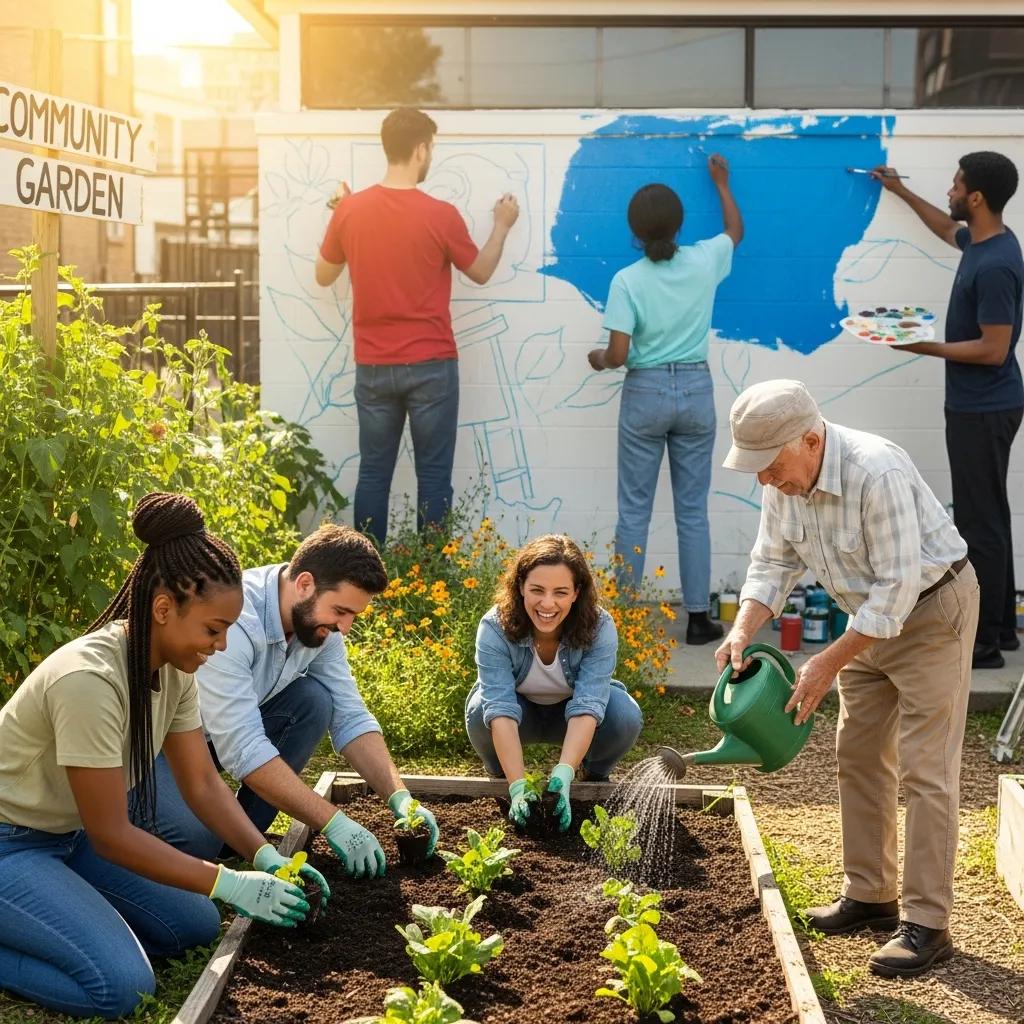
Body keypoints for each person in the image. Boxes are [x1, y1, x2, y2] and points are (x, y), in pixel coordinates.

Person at [0, 493, 316, 1020]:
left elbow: (202, 783)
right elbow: (113, 834)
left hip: (65, 836)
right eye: (212, 629)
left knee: (194, 924)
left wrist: (264, 856)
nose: (219, 646)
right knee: (121, 987)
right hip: (10, 843)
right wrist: (228, 881)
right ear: (163, 609)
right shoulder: (90, 681)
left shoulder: (173, 669)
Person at [717, 379, 978, 979]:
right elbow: (773, 561)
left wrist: (828, 659)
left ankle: (927, 924)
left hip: (931, 611)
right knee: (857, 752)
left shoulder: (875, 471)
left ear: (810, 440)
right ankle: (871, 894)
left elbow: (897, 591)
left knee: (926, 765)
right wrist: (744, 628)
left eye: (770, 465)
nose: (763, 480)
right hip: (863, 619)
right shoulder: (786, 480)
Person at [145, 523, 439, 879]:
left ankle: (241, 841)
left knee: (314, 701)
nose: (344, 628)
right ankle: (210, 833)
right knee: (198, 840)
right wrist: (332, 821)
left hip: (215, 738)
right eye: (341, 611)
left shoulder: (318, 626)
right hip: (161, 746)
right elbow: (243, 746)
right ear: (304, 584)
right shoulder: (234, 622)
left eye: (352, 617)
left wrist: (400, 797)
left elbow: (351, 715)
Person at [315, 107, 521, 544]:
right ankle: (433, 582)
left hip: (373, 366)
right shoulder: (440, 214)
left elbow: (323, 275)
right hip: (432, 366)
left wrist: (342, 215)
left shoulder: (350, 211)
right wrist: (502, 226)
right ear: (421, 149)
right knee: (433, 477)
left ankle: (362, 578)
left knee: (373, 474)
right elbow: (480, 271)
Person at [870, 152, 1022, 669]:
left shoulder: (998, 263)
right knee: (989, 516)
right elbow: (945, 229)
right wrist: (902, 193)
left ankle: (982, 644)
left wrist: (923, 347)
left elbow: (995, 348)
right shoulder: (982, 243)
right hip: (979, 405)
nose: (950, 191)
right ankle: (1002, 632)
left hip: (985, 407)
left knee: (980, 524)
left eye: (956, 185)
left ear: (976, 197)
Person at [587, 155, 743, 645]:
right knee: (692, 511)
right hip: (696, 390)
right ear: (678, 225)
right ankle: (698, 618)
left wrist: (597, 358)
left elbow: (618, 353)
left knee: (634, 509)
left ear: (634, 229)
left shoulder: (627, 280)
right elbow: (735, 231)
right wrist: (721, 184)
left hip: (645, 392)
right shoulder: (703, 260)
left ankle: (625, 618)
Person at [464, 534, 643, 832]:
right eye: (537, 590)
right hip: (520, 718)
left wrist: (563, 774)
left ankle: (592, 777)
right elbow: (500, 709)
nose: (547, 603)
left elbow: (588, 704)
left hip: (571, 718)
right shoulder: (494, 627)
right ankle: (503, 778)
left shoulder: (599, 627)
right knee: (481, 708)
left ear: (577, 592)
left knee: (624, 715)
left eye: (560, 592)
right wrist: (519, 785)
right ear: (520, 586)